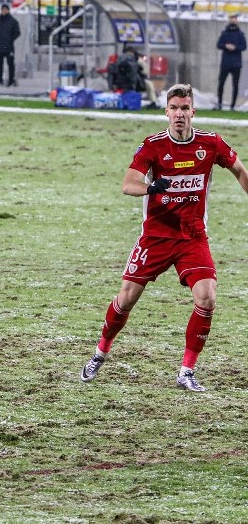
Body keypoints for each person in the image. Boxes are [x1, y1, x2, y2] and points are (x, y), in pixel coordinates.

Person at [81, 83, 248, 392]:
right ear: (167, 112)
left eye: (185, 108)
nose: (180, 114)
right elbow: (128, 183)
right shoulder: (153, 146)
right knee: (126, 299)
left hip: (192, 237)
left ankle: (186, 371)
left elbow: (239, 169)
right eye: (174, 108)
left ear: (193, 112)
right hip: (155, 237)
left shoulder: (211, 144)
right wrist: (152, 187)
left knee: (207, 297)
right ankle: (100, 352)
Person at [215, 14, 246, 111]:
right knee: (221, 83)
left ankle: (233, 105)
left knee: (235, 84)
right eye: (232, 18)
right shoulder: (224, 33)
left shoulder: (240, 34)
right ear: (229, 20)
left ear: (237, 20)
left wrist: (235, 48)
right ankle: (219, 103)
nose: (233, 20)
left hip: (236, 64)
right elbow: (219, 44)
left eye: (235, 19)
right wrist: (226, 46)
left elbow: (244, 46)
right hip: (225, 63)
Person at [0, 4, 20, 87]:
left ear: (8, 10)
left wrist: (10, 40)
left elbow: (17, 32)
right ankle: (0, 79)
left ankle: (11, 80)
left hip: (9, 47)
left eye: (5, 9)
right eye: (2, 9)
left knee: (10, 64)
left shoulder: (13, 21)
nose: (3, 11)